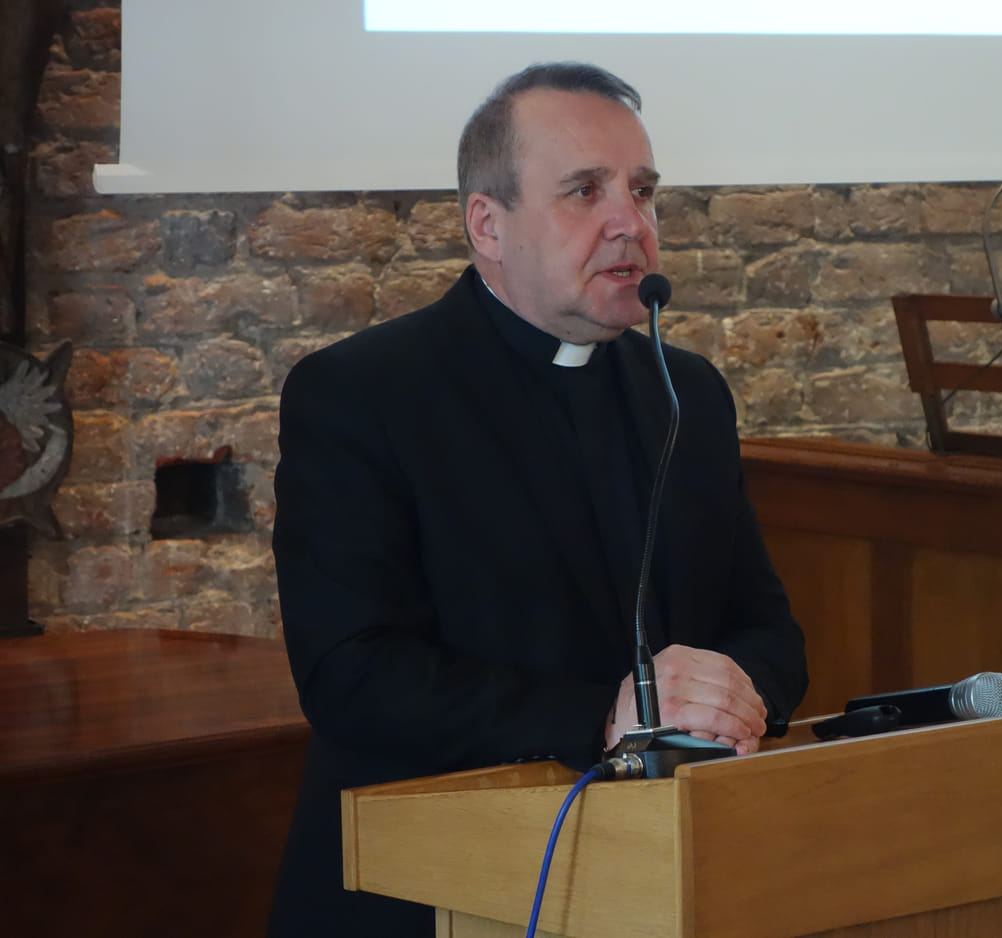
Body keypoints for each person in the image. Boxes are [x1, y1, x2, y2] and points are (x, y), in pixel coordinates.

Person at [267, 62, 808, 937]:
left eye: (642, 191)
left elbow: (769, 632)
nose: (630, 223)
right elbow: (352, 674)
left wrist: (738, 693)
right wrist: (604, 714)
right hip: (428, 887)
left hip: (662, 879)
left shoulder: (689, 394)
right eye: (585, 191)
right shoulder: (364, 393)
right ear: (488, 223)